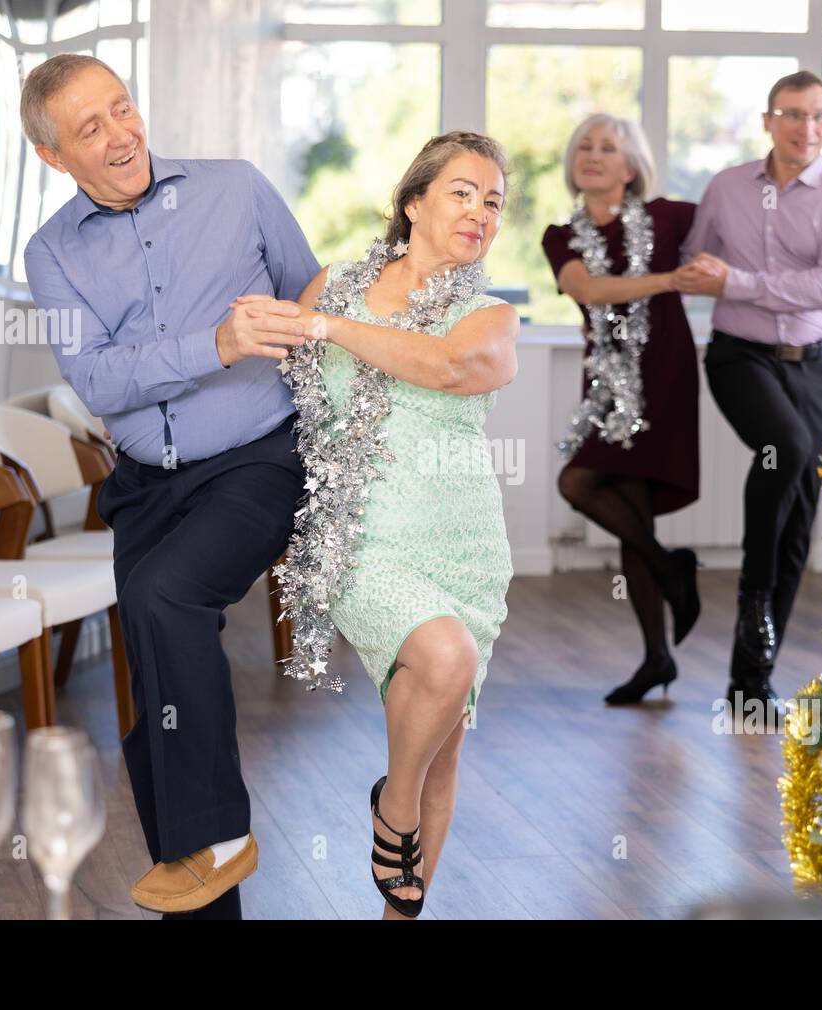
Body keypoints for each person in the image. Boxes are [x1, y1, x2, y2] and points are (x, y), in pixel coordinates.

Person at [21, 54, 319, 919]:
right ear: (54, 158)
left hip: (259, 457)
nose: (121, 136)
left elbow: (311, 294)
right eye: (90, 129)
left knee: (164, 594)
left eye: (122, 109)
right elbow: (103, 385)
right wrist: (213, 344)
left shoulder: (237, 189)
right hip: (147, 484)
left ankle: (223, 835)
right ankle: (207, 905)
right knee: (157, 712)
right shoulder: (52, 255)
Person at [269, 131, 517, 919]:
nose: (480, 211)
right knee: (443, 658)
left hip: (465, 544)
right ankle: (394, 806)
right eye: (462, 192)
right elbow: (272, 382)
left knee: (446, 757)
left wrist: (330, 329)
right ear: (414, 202)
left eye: (494, 202)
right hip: (361, 537)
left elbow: (445, 367)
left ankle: (395, 909)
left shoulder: (490, 317)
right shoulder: (333, 284)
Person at [680, 70, 822, 707]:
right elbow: (694, 265)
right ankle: (752, 595)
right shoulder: (727, 187)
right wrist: (713, 278)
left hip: (817, 368)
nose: (807, 128)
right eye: (793, 114)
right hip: (741, 358)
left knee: (797, 519)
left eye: (819, 116)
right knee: (785, 448)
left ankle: (750, 682)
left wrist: (735, 281)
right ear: (768, 120)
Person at [542, 113, 702, 705]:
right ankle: (663, 615)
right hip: (610, 380)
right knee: (587, 485)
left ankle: (659, 643)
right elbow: (587, 291)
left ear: (630, 166)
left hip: (665, 372)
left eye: (608, 147)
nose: (593, 154)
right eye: (584, 145)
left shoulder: (670, 219)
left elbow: (746, 222)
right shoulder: (561, 234)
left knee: (596, 489)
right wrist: (668, 281)